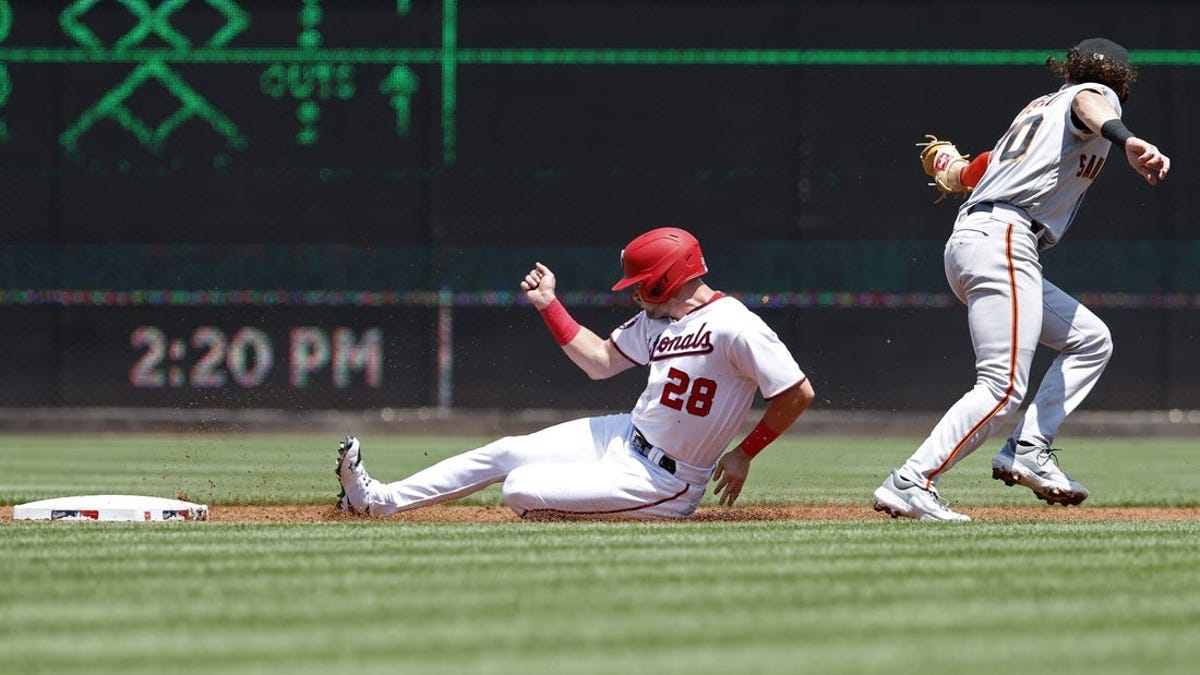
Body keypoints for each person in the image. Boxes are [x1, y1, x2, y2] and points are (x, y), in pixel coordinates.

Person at [874, 37, 1171, 521]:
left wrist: (956, 170)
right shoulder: (1093, 96)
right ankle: (912, 479)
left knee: (1091, 339)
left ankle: (1029, 448)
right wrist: (1128, 139)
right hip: (1004, 238)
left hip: (982, 239)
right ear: (1121, 78)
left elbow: (987, 167)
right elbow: (1089, 102)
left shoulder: (1037, 109)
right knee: (1002, 386)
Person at [335, 226, 815, 520]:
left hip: (668, 482)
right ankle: (377, 500)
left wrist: (745, 453)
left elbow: (797, 392)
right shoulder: (660, 320)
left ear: (666, 278)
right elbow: (599, 361)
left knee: (520, 490)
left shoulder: (737, 327)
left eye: (640, 283)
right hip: (625, 436)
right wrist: (549, 305)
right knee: (508, 452)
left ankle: (609, 502)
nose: (634, 293)